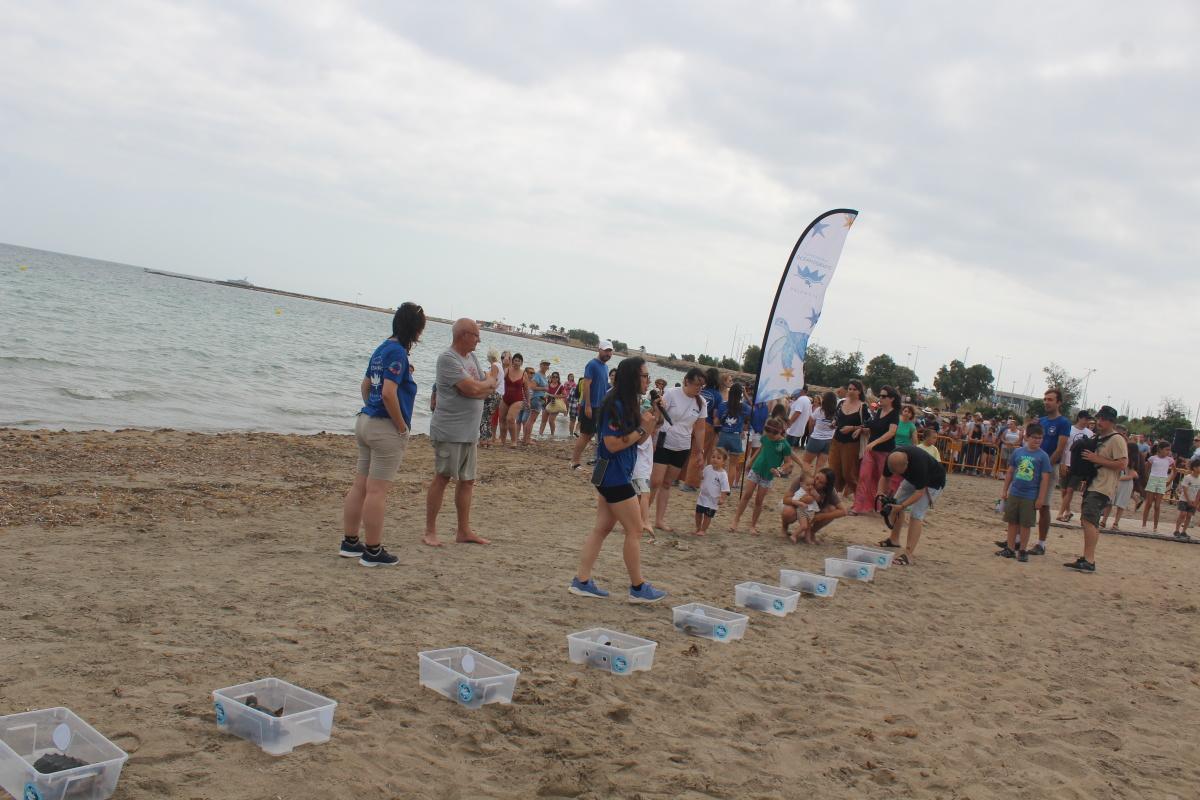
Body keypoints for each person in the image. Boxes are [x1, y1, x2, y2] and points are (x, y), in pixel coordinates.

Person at [569, 357, 668, 603]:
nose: (648, 380)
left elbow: (642, 440)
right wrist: (641, 429)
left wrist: (653, 416)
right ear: (633, 377)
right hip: (613, 475)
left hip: (612, 473)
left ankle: (581, 581)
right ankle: (637, 587)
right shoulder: (614, 404)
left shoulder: (630, 403)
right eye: (644, 376)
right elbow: (611, 444)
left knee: (602, 528)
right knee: (634, 529)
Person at [339, 302, 425, 567]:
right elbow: (388, 392)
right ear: (415, 329)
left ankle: (351, 542)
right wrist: (401, 426)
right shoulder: (398, 352)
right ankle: (373, 550)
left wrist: (370, 408)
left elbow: (366, 385)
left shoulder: (381, 348)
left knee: (360, 485)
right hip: (384, 427)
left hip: (365, 421)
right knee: (377, 491)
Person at [423, 319, 497, 547]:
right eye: (476, 335)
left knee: (467, 481)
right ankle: (430, 531)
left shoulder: (472, 358)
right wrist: (490, 380)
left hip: (469, 432)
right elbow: (475, 387)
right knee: (443, 477)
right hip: (450, 430)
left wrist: (482, 386)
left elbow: (483, 390)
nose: (479, 339)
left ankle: (463, 530)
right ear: (464, 335)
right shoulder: (448, 359)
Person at [1065, 405, 1126, 572]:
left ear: (1111, 421)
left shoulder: (1117, 439)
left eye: (1103, 419)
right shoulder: (1099, 438)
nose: (1099, 421)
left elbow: (1122, 463)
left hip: (1103, 485)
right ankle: (1087, 557)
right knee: (1090, 520)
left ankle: (1089, 560)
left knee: (1088, 520)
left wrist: (1096, 459)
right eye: (1099, 418)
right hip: (1095, 483)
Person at [648, 368, 708, 532]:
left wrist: (699, 452)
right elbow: (658, 416)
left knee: (667, 484)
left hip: (682, 446)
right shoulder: (671, 393)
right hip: (664, 441)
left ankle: (659, 520)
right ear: (687, 381)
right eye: (697, 384)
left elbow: (700, 429)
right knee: (655, 481)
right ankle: (641, 517)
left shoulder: (701, 402)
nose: (699, 388)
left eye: (702, 385)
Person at [730, 417, 804, 534]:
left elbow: (789, 463)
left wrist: (779, 470)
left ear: (779, 431)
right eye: (767, 434)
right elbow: (761, 449)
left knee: (759, 501)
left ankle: (753, 526)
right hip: (756, 469)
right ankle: (735, 521)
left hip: (768, 475)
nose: (769, 436)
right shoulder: (766, 437)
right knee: (746, 495)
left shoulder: (784, 445)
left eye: (772, 435)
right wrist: (751, 461)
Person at [878, 445, 947, 565]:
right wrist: (880, 493)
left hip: (933, 482)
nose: (896, 474)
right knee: (895, 502)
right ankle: (894, 540)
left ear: (906, 464)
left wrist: (903, 506)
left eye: (898, 473)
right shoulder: (892, 458)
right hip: (913, 479)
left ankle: (908, 555)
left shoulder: (919, 465)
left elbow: (919, 493)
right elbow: (885, 477)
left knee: (916, 514)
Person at [995, 423, 1053, 562]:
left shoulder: (1043, 456)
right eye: (1034, 437)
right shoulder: (1018, 452)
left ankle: (1022, 549)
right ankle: (1010, 548)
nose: (1037, 440)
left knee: (1026, 524)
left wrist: (1041, 498)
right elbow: (1010, 471)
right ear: (1027, 437)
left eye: (1040, 438)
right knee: (1012, 522)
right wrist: (1005, 490)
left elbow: (1045, 479)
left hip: (1030, 495)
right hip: (1015, 492)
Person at [1032, 388, 1073, 555]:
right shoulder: (1041, 421)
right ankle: (1017, 538)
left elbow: (1060, 448)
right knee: (1026, 501)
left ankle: (1041, 543)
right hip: (1034, 465)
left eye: (1050, 399)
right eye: (1045, 399)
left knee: (1044, 505)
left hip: (1048, 468)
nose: (1046, 402)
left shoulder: (1063, 423)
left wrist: (1046, 466)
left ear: (1058, 402)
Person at [852, 385, 900, 514]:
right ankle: (858, 507)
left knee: (883, 480)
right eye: (880, 395)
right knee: (864, 476)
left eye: (884, 396)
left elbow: (891, 432)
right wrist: (861, 429)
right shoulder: (879, 411)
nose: (880, 398)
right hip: (871, 451)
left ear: (892, 399)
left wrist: (875, 443)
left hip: (885, 452)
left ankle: (882, 507)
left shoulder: (894, 414)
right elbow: (873, 427)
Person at [570, 341, 614, 470]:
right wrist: (588, 405)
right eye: (606, 351)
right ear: (599, 349)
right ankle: (574, 462)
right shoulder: (592, 364)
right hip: (590, 406)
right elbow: (586, 385)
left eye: (610, 351)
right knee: (585, 435)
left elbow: (604, 386)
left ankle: (585, 460)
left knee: (592, 435)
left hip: (599, 407)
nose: (608, 353)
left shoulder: (605, 367)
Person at [830, 380, 868, 498]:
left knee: (849, 472)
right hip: (836, 440)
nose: (851, 391)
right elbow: (837, 417)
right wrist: (834, 422)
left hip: (851, 443)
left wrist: (852, 428)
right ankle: (835, 493)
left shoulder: (863, 406)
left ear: (859, 391)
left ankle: (856, 494)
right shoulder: (841, 403)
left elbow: (868, 426)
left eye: (854, 389)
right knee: (834, 468)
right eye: (850, 389)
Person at [782, 467, 840, 544]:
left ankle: (810, 535)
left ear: (827, 485)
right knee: (790, 513)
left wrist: (821, 516)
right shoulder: (803, 480)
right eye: (817, 478)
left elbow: (843, 511)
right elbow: (785, 499)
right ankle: (787, 529)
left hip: (811, 510)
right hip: (799, 507)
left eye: (821, 482)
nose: (816, 482)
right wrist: (801, 501)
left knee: (831, 509)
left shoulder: (830, 491)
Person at [1056, 411, 1095, 521]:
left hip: (1079, 466)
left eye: (1088, 419)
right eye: (1085, 419)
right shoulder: (1070, 429)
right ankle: (1067, 511)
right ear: (1079, 418)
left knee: (1070, 490)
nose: (1087, 421)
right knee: (1064, 490)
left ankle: (1060, 513)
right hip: (1067, 462)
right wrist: (1062, 462)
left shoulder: (1089, 433)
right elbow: (1064, 447)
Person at [1100, 425, 1138, 532]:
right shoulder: (1119, 452)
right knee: (1110, 502)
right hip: (1118, 479)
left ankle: (1115, 522)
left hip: (1124, 481)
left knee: (1120, 503)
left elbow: (1132, 474)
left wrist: (1122, 478)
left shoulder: (1132, 460)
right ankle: (1104, 520)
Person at [716, 382, 748, 488]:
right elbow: (753, 411)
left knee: (720, 463)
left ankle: (718, 484)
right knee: (733, 465)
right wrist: (746, 394)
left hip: (724, 435)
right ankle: (727, 487)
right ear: (740, 394)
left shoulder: (723, 405)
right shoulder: (744, 407)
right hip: (735, 437)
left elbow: (717, 421)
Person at [693, 448, 730, 536]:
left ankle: (703, 530)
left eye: (718, 458)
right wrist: (699, 470)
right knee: (698, 513)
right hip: (702, 497)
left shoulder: (723, 474)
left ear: (723, 461)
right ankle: (698, 528)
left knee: (707, 516)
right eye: (713, 457)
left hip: (713, 500)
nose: (715, 459)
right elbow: (701, 477)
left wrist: (722, 498)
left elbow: (725, 488)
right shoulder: (708, 468)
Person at [800, 390, 838, 475]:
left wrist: (810, 433)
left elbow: (811, 421)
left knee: (806, 462)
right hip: (829, 440)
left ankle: (803, 482)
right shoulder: (836, 413)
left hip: (816, 438)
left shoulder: (819, 410)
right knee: (820, 466)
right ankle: (815, 484)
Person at [1142, 441, 1176, 532]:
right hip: (1153, 479)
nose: (1168, 452)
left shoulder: (1170, 460)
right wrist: (1147, 479)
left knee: (1157, 505)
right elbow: (1146, 469)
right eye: (1166, 450)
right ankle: (1144, 524)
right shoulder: (1153, 458)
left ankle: (1155, 527)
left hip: (1162, 480)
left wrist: (1169, 480)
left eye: (1169, 450)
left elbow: (1175, 471)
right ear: (1160, 449)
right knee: (1149, 503)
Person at [497, 353, 527, 446]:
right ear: (512, 361)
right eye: (515, 360)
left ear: (521, 363)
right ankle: (502, 440)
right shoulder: (507, 370)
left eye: (519, 360)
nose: (517, 362)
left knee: (510, 419)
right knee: (502, 419)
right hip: (505, 398)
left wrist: (528, 401)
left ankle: (514, 441)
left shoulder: (523, 373)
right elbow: (500, 380)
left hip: (517, 399)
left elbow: (526, 388)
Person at [479, 349, 504, 447]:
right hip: (499, 394)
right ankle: (488, 440)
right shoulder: (500, 366)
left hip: (493, 393)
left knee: (484, 417)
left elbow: (493, 380)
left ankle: (483, 439)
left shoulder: (494, 365)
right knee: (488, 417)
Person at [521, 359, 550, 444]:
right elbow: (532, 387)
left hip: (540, 399)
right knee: (531, 420)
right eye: (544, 364)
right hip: (537, 398)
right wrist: (544, 388)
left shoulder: (544, 375)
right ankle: (527, 439)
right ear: (540, 365)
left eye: (547, 365)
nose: (546, 366)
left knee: (531, 420)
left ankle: (525, 438)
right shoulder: (537, 375)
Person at [1174, 459, 1200, 539]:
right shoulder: (1188, 477)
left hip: (1193, 501)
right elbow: (1184, 490)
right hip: (1184, 500)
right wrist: (1188, 500)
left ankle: (1184, 531)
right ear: (1194, 468)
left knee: (1189, 515)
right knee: (1183, 514)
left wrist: (1196, 502)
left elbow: (1199, 491)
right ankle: (1177, 530)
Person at [539, 371, 567, 436]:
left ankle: (552, 434)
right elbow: (543, 392)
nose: (555, 378)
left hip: (555, 404)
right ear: (551, 377)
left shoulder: (560, 386)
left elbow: (565, 395)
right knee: (543, 420)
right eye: (553, 377)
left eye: (556, 377)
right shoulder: (547, 384)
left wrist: (554, 396)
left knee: (551, 421)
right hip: (546, 403)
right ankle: (540, 434)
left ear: (558, 378)